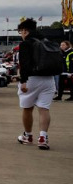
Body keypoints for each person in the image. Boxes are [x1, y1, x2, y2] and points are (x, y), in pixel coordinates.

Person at [16, 18, 56, 150]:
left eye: (20, 32)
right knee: (44, 109)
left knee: (27, 108)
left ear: (25, 31)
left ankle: (28, 136)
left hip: (31, 79)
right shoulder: (47, 41)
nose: (21, 34)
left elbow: (24, 64)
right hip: (49, 79)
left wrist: (23, 81)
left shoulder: (26, 43)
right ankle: (43, 137)